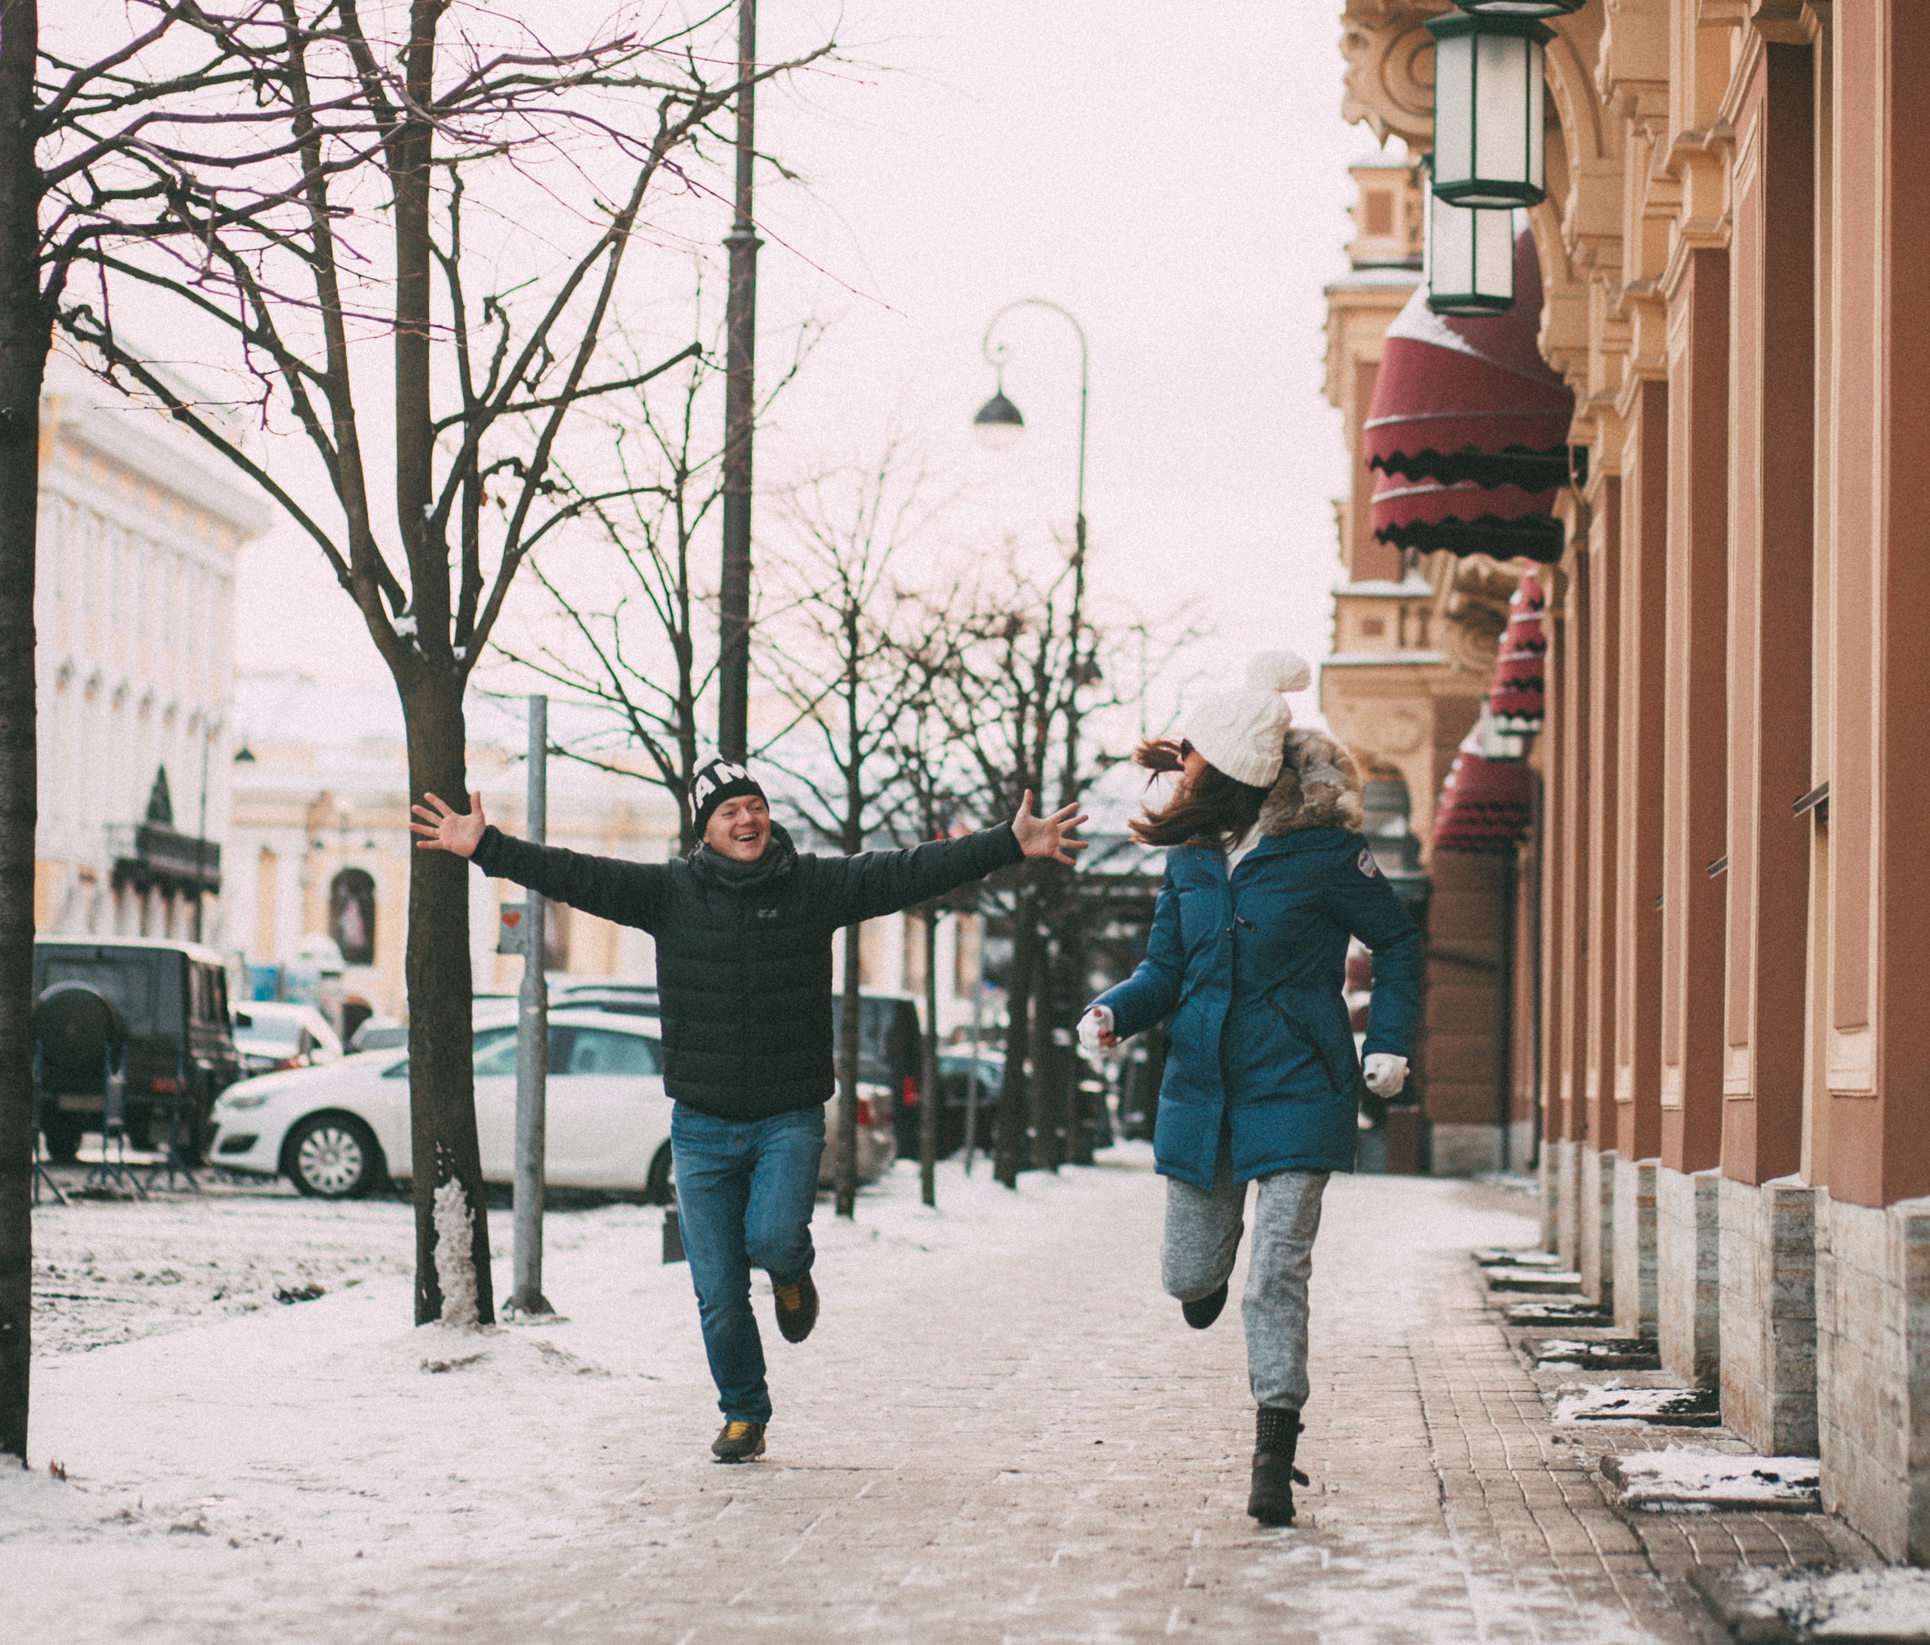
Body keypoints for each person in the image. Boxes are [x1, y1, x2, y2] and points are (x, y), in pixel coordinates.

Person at [411, 758, 1085, 1462]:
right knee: (719, 1292)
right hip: (700, 1125)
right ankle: (743, 1411)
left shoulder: (813, 885)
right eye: (730, 810)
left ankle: (793, 1274)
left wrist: (1008, 842)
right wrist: (488, 847)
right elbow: (581, 874)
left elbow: (907, 870)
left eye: (755, 805)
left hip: (786, 1115)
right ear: (705, 827)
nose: (747, 818)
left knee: (772, 1239)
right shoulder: (669, 892)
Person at [1077, 652, 1420, 1526]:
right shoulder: (1191, 858)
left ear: (1229, 767)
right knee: (1188, 1278)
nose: (1180, 768)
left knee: (1277, 1272)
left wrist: (1386, 1044)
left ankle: (1276, 1441)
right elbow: (1164, 967)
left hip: (1301, 1083)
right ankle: (1205, 1275)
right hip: (1203, 1090)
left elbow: (1401, 942)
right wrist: (1117, 1009)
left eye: (1193, 755)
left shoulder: (1329, 854)